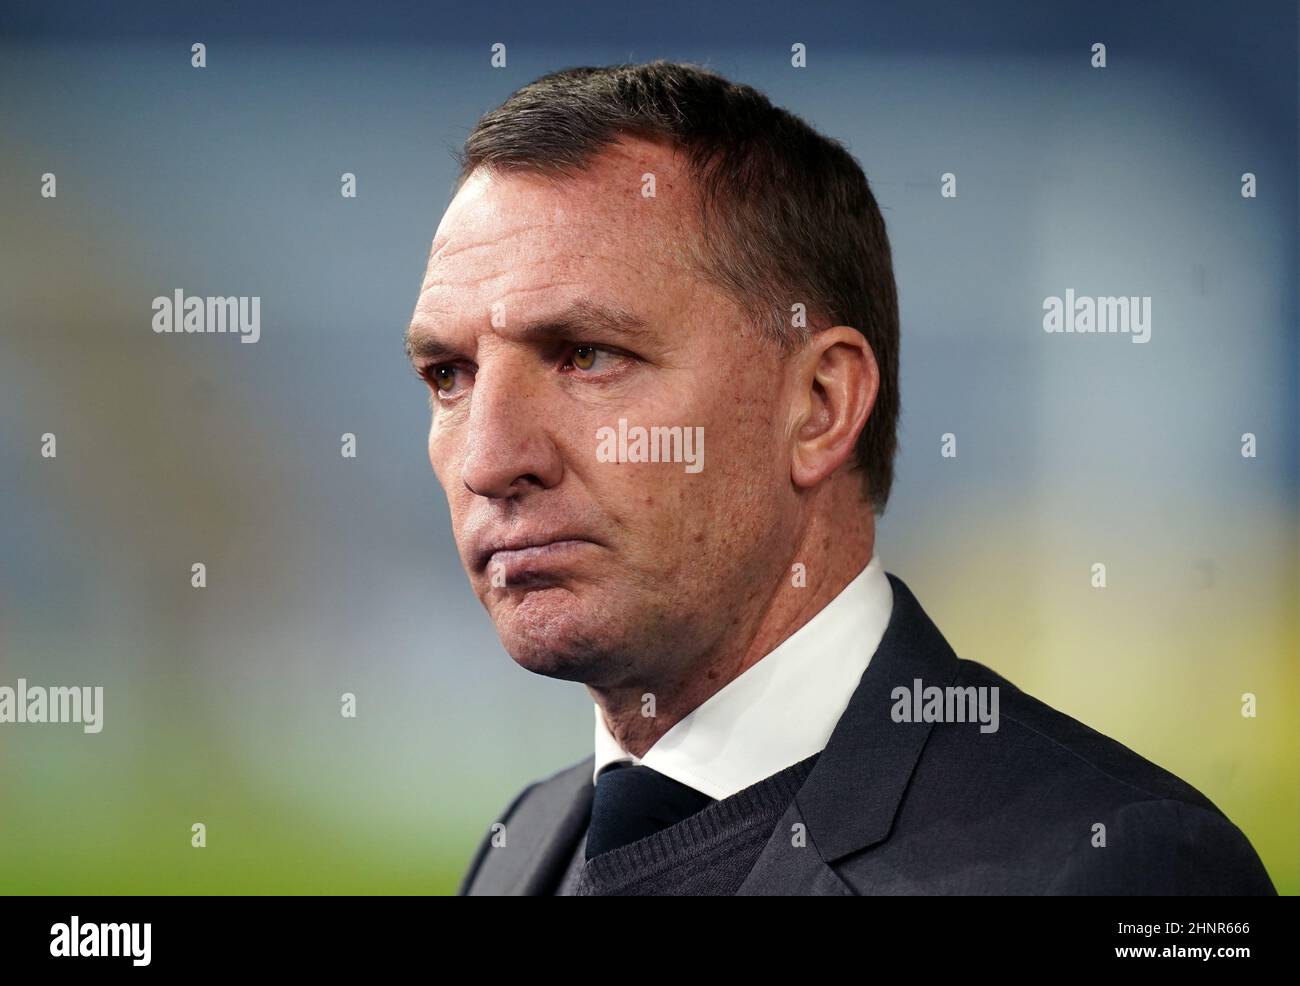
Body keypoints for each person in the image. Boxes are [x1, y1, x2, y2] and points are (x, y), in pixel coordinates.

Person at [404, 61, 1276, 895]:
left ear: (819, 404)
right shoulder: (522, 846)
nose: (487, 460)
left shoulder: (1122, 868)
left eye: (587, 356)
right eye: (448, 374)